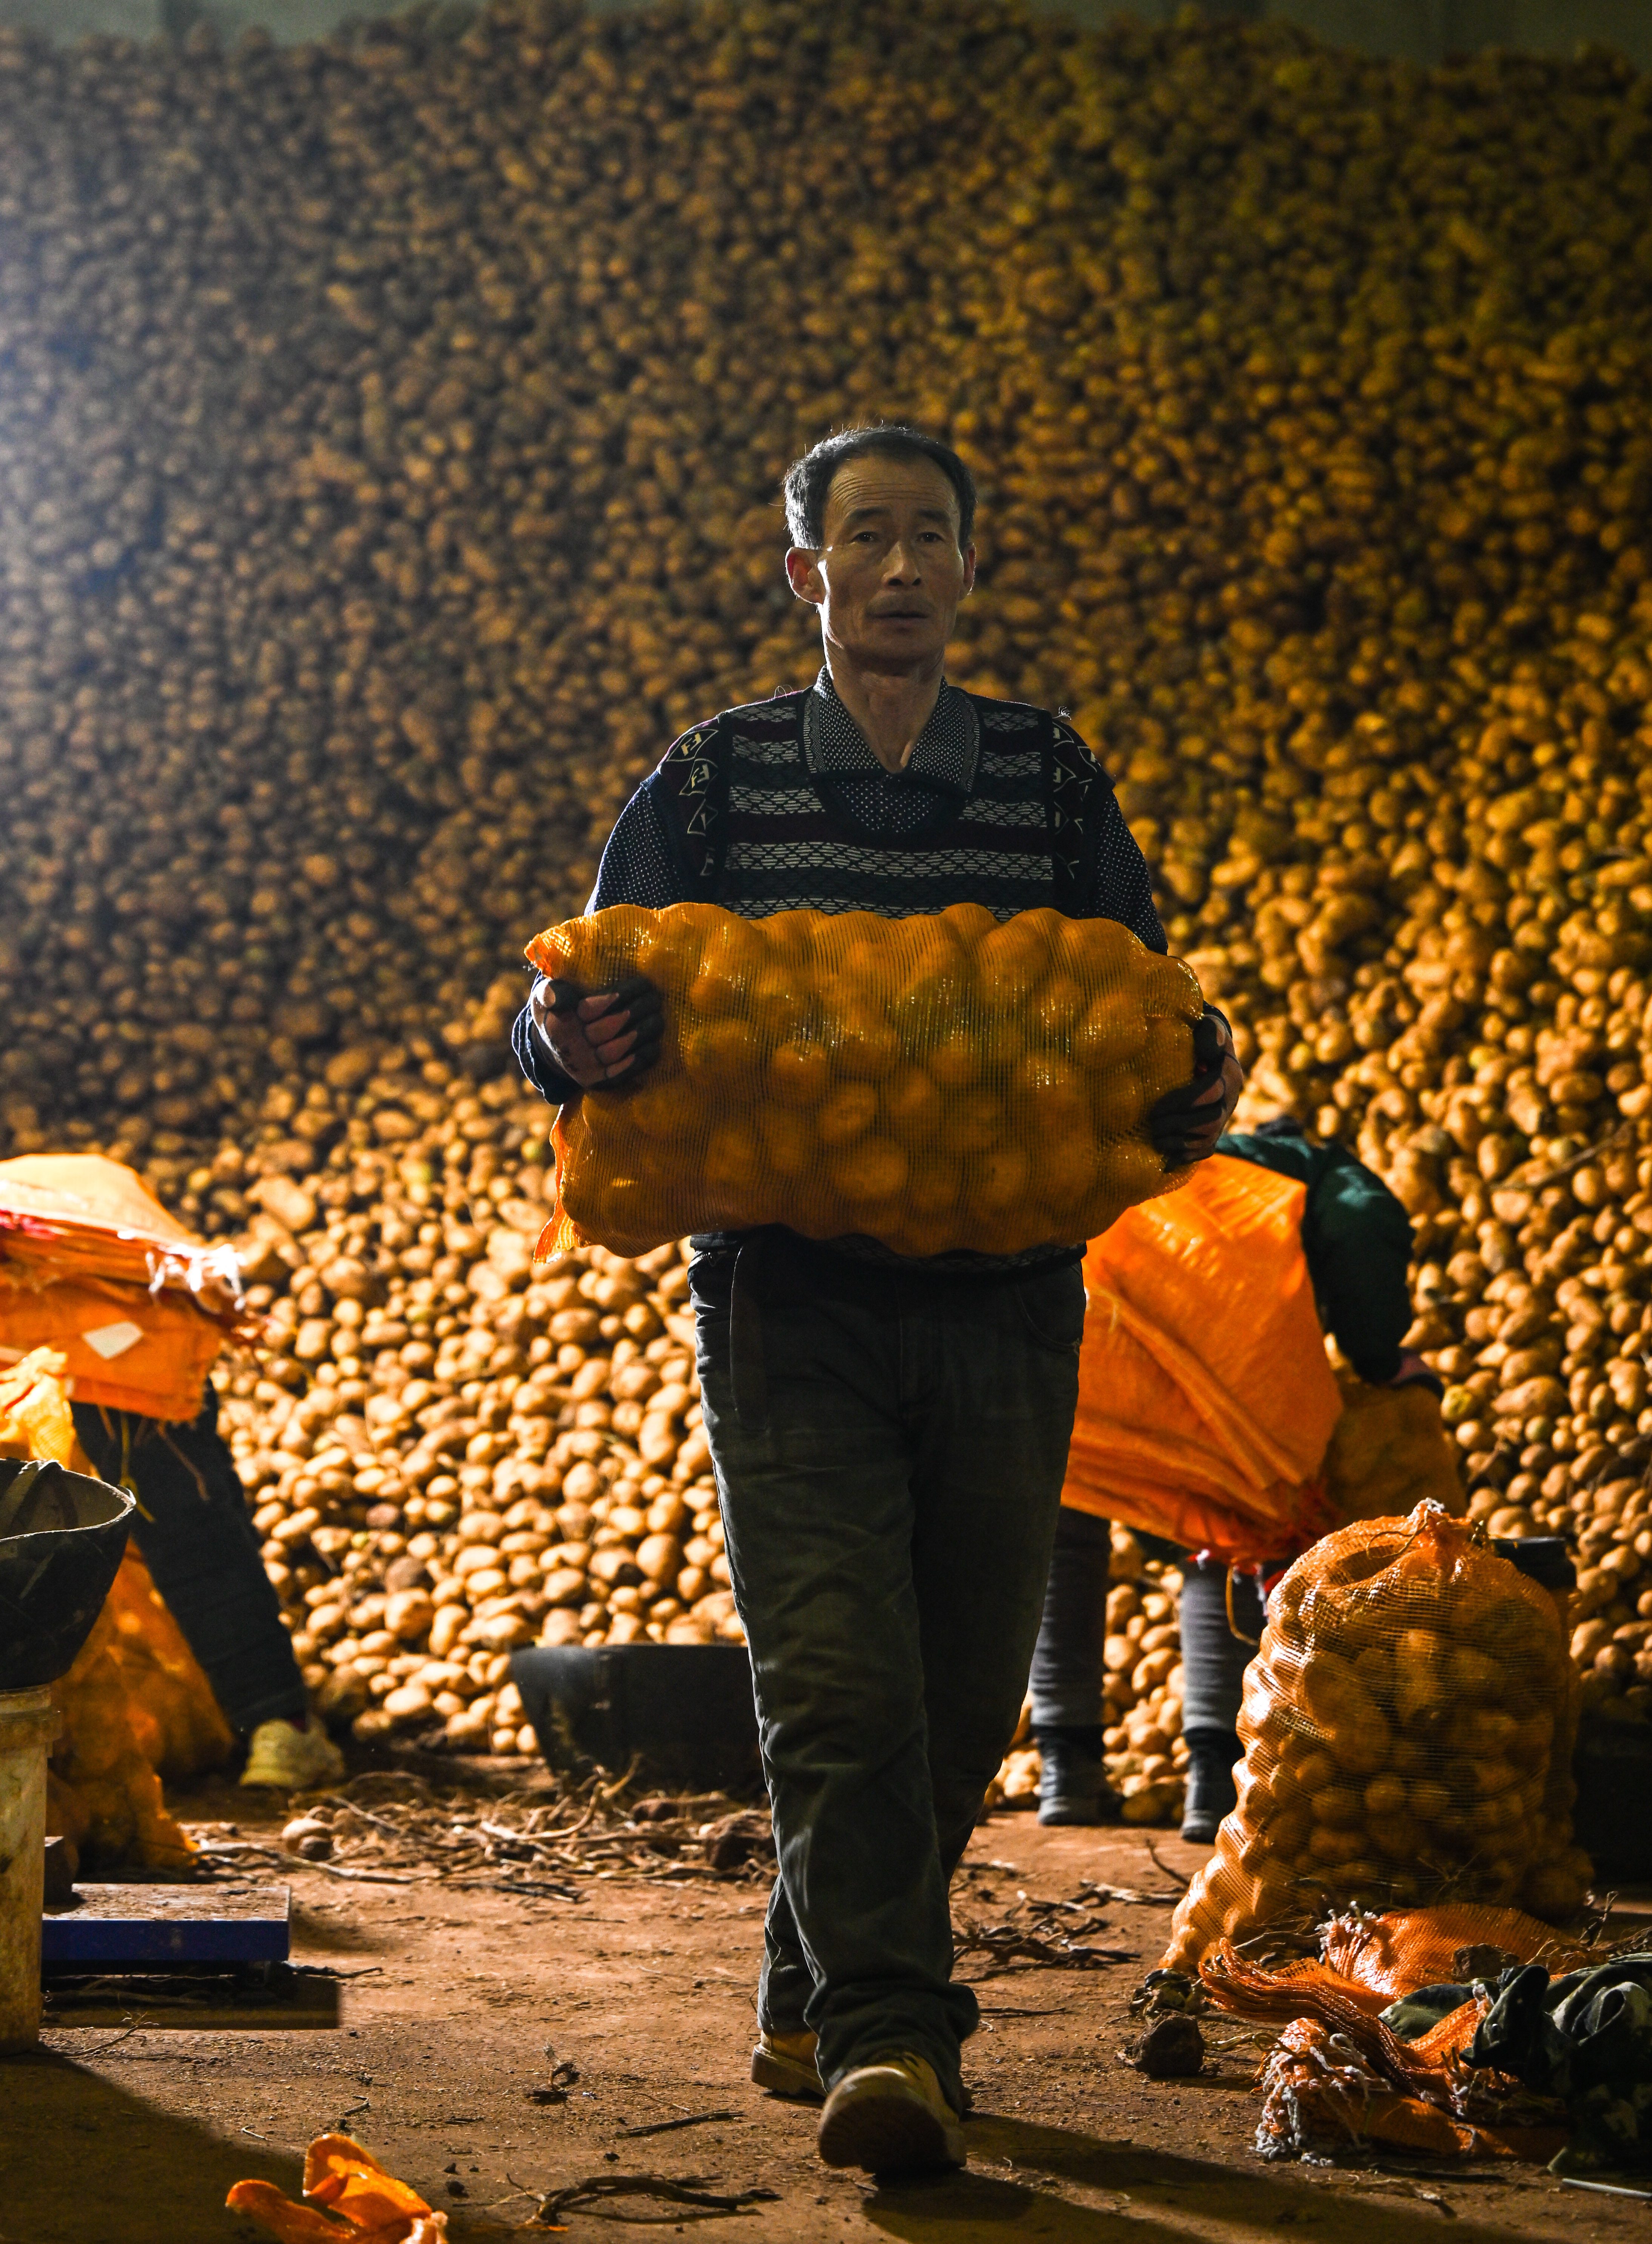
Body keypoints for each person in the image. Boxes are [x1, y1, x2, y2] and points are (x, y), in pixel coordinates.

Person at [515, 424, 1243, 2177]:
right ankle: (893, 2041)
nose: (900, 565)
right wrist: (563, 1042)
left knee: (964, 1686)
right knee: (836, 1675)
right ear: (807, 575)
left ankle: (803, 1979)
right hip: (789, 1302)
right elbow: (575, 1007)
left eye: (930, 536)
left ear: (964, 567)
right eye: (866, 537)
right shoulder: (716, 781)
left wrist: (1197, 1077)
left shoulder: (1046, 782)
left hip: (1004, 1303)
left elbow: (1144, 1016)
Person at [1024, 1116, 1438, 1841]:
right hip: (1216, 1374)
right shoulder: (1313, 1169)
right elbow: (1363, 1222)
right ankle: (1212, 1781)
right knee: (1219, 1546)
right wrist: (1380, 1356)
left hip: (1086, 1349)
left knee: (1064, 1535)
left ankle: (1066, 1771)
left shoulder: (1133, 1157)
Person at [73, 1391, 346, 1791]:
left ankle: (279, 1721)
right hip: (80, 1350)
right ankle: (273, 1719)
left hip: (115, 1354)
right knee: (173, 1495)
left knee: (174, 1498)